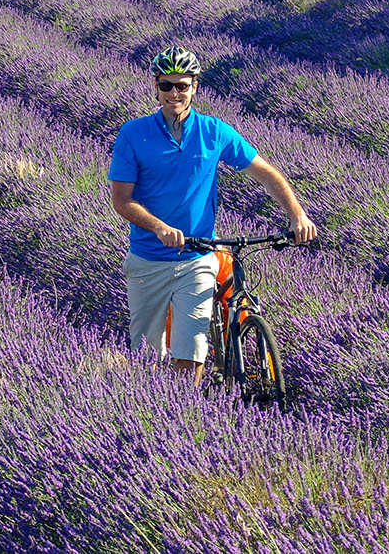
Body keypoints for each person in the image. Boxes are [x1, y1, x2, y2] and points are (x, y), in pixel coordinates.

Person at [107, 47, 317, 386]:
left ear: (195, 87)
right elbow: (121, 200)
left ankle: (185, 412)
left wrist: (297, 216)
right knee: (146, 357)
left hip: (199, 257)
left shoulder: (214, 131)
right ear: (155, 87)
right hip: (148, 260)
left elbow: (264, 173)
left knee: (192, 350)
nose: (174, 93)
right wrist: (159, 227)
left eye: (182, 85)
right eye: (166, 86)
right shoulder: (133, 134)